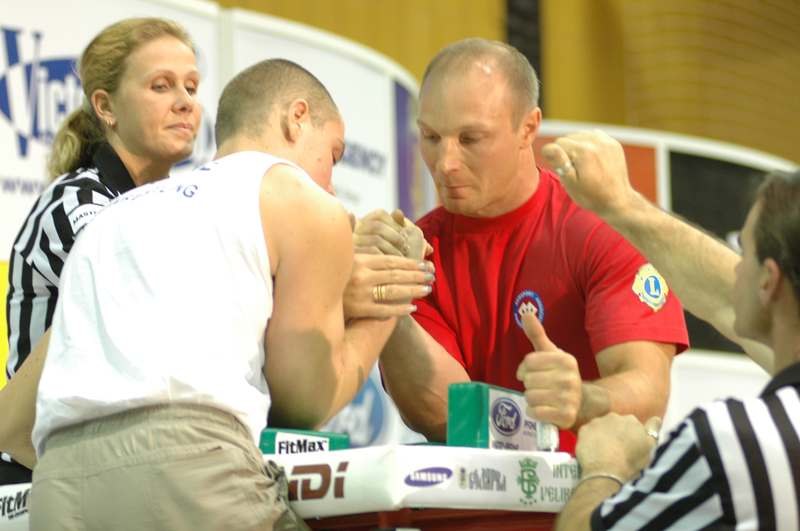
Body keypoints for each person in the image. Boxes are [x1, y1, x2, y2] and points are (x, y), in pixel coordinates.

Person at [28, 58, 427, 531]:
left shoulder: (117, 215)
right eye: (333, 155)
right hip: (186, 472)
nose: (331, 182)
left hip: (60, 484)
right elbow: (305, 404)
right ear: (296, 117)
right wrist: (390, 298)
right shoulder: (305, 203)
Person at [375, 38, 689, 451]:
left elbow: (646, 392)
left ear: (529, 128)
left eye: (470, 139)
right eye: (431, 136)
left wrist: (580, 399)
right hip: (462, 508)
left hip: (583, 506)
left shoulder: (598, 229)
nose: (445, 162)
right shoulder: (416, 250)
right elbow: (443, 416)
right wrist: (389, 301)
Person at [544, 131, 799, 529]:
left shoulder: (729, 442)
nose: (733, 267)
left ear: (769, 280)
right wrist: (621, 205)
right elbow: (723, 298)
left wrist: (606, 469)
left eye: (742, 251)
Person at [1, 17, 202, 486]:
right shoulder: (78, 201)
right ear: (106, 106)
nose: (185, 102)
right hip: (36, 476)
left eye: (192, 86)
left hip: (118, 464)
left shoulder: (183, 212)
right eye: (161, 85)